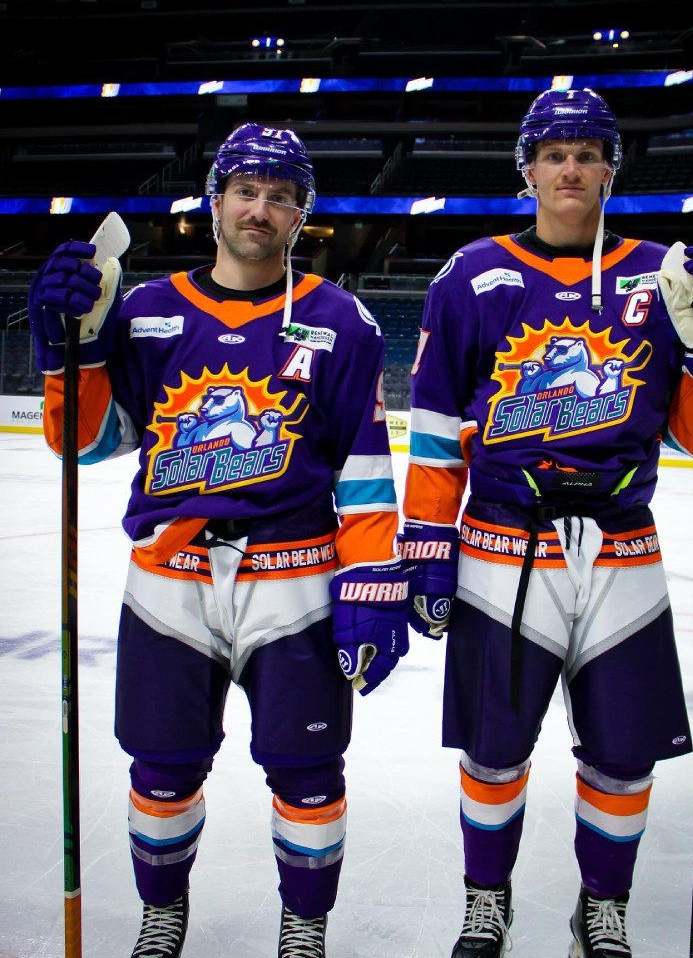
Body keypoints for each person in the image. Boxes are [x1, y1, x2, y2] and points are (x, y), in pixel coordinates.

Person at [28, 125, 409, 958]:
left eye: (279, 197)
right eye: (245, 191)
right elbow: (89, 444)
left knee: (307, 771)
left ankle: (303, 927)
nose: (259, 209)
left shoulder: (341, 320)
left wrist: (373, 582)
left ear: (301, 214)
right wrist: (66, 356)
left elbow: (364, 471)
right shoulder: (146, 312)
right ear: (215, 202)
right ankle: (163, 913)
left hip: (296, 577)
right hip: (170, 577)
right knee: (162, 768)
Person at [398, 88, 693, 957]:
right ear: (526, 169)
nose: (569, 169)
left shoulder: (663, 274)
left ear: (608, 170)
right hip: (500, 544)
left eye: (587, 154)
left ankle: (603, 906)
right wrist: (428, 544)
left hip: (621, 544)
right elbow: (435, 427)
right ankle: (486, 901)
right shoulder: (471, 274)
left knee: (623, 754)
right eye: (553, 154)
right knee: (492, 751)